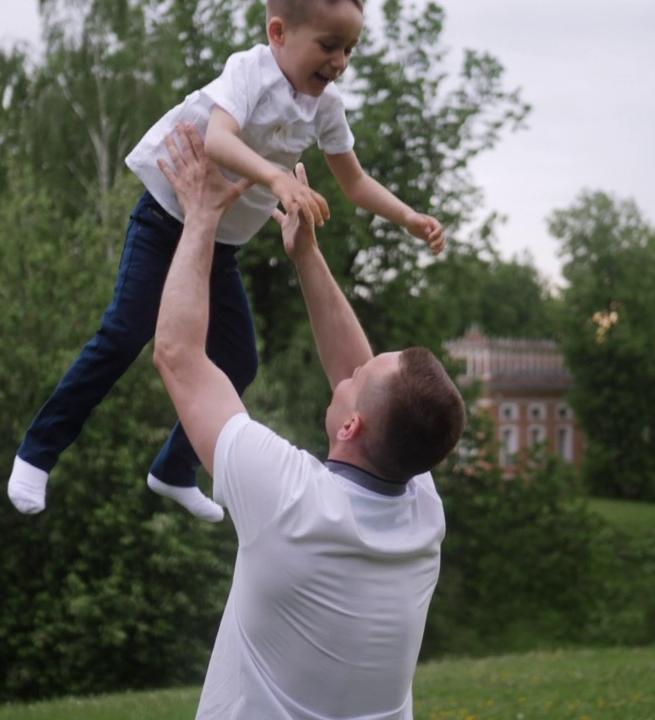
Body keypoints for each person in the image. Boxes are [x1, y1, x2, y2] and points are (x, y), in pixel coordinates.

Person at [6, 0, 445, 521]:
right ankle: (37, 452)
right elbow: (218, 138)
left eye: (349, 49)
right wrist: (278, 177)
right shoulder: (249, 71)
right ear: (278, 33)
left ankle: (173, 469)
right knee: (124, 334)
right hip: (168, 218)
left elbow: (354, 181)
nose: (340, 62)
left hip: (222, 247)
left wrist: (407, 217)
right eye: (328, 47)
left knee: (239, 361)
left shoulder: (327, 107)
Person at [153, 123, 466, 719]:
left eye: (356, 380)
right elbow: (367, 388)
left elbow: (179, 356)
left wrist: (199, 218)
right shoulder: (421, 510)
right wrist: (307, 256)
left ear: (350, 427)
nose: (347, 372)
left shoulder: (288, 499)